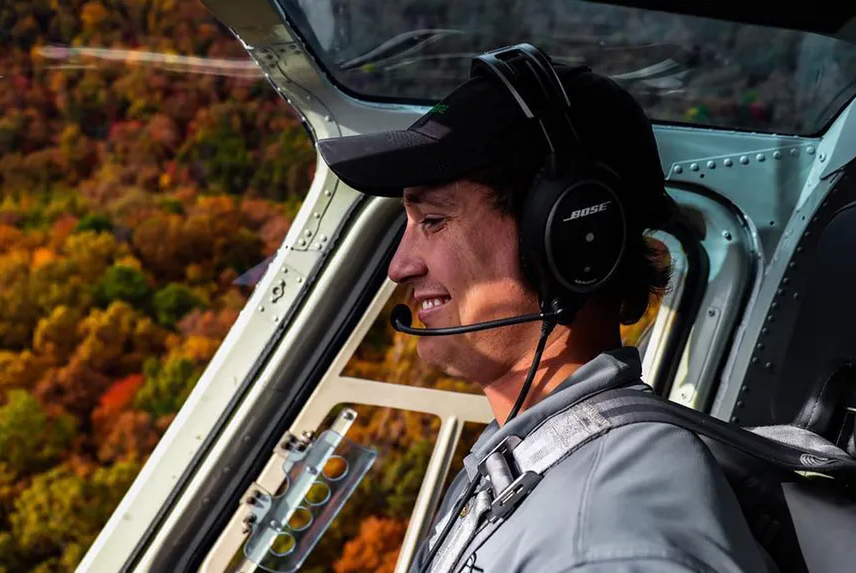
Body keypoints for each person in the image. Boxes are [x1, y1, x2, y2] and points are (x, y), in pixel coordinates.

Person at [317, 44, 771, 573]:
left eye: (433, 221)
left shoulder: (611, 530)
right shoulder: (527, 461)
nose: (399, 266)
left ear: (569, 237)